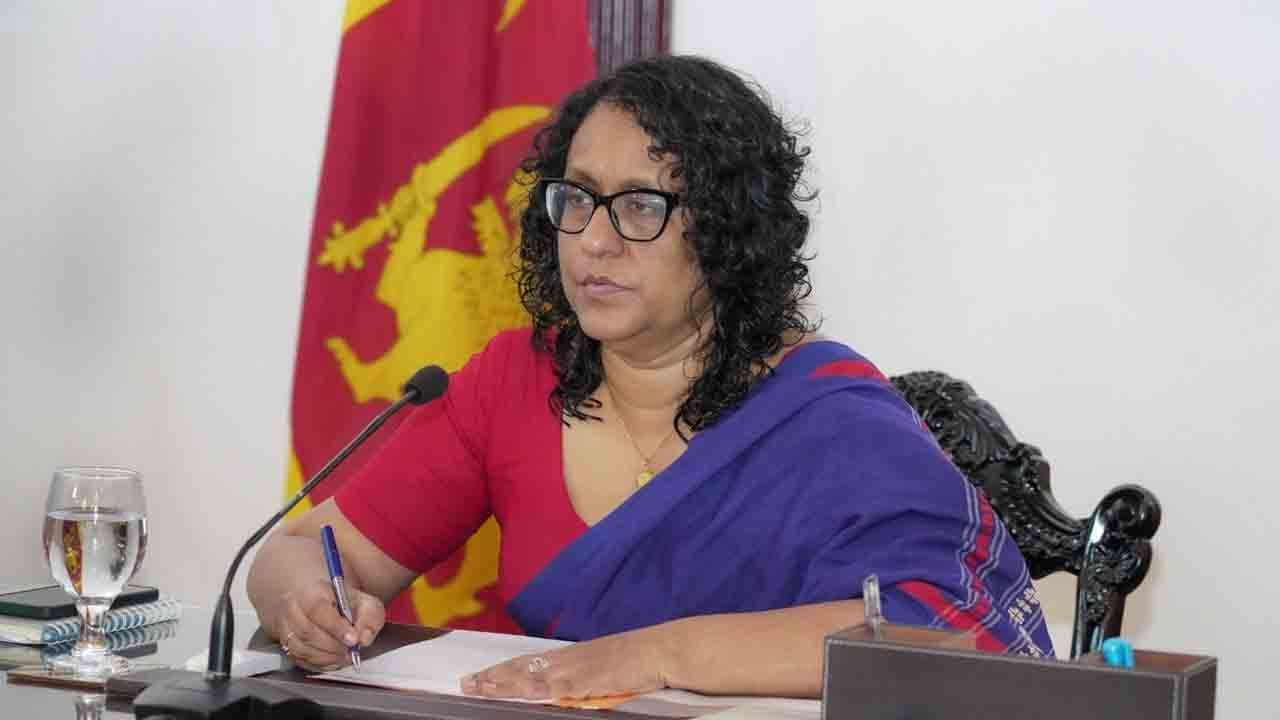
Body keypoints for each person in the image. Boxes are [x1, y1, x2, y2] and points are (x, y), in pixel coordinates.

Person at [247, 54, 1053, 701]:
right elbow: (300, 552)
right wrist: (307, 602)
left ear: (728, 230)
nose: (593, 241)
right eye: (577, 200)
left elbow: (951, 634)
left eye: (640, 206)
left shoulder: (829, 415)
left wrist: (658, 654)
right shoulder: (516, 379)